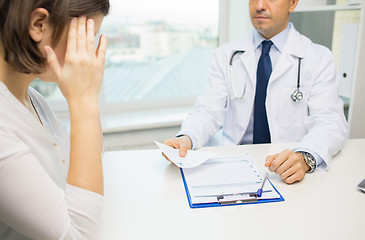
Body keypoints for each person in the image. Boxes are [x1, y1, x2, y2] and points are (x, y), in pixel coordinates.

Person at [163, 0, 348, 184]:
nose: (259, 5)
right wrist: (186, 138)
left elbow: (330, 121)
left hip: (285, 167)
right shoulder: (226, 54)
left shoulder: (319, 58)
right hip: (230, 164)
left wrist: (304, 157)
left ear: (292, 3)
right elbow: (208, 110)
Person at [0, 0, 109, 239]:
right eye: (82, 38)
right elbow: (79, 235)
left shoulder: (31, 99)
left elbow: (85, 164)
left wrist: (85, 97)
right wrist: (84, 100)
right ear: (38, 24)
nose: (86, 55)